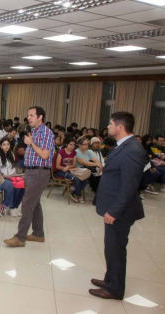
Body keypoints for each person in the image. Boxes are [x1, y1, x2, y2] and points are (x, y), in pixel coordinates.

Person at [89, 111, 146, 301]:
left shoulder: (133, 150)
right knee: (110, 247)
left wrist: (114, 210)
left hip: (120, 210)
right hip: (113, 204)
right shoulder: (123, 146)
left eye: (111, 123)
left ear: (120, 127)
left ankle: (114, 289)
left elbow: (129, 186)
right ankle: (110, 279)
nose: (108, 127)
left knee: (116, 248)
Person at [4, 106, 54, 247]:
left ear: (40, 117)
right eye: (28, 115)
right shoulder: (34, 132)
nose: (29, 118)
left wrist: (31, 144)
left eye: (32, 115)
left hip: (39, 172)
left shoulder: (46, 132)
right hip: (32, 171)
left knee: (27, 203)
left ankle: (20, 238)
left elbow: (45, 155)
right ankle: (38, 234)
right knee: (35, 202)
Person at [0, 137, 25, 217]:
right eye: (4, 145)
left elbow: (13, 168)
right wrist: (7, 176)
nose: (6, 146)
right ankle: (10, 207)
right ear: (0, 146)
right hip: (1, 178)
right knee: (16, 186)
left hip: (11, 176)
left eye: (8, 144)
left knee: (23, 184)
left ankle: (15, 206)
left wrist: (16, 174)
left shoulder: (11, 154)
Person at [55, 137, 88, 203]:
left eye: (73, 145)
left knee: (86, 179)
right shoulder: (61, 152)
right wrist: (64, 168)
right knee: (76, 179)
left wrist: (68, 167)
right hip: (61, 171)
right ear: (66, 144)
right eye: (70, 144)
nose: (72, 146)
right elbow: (57, 166)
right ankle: (79, 195)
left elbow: (74, 164)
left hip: (70, 170)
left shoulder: (74, 152)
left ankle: (74, 192)